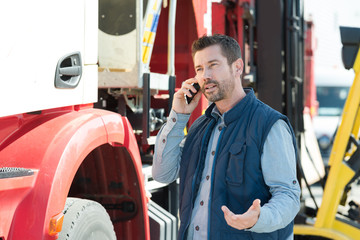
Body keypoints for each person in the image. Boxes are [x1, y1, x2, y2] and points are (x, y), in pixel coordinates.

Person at [152, 34, 300, 240]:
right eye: (199, 69)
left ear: (237, 67)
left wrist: (259, 218)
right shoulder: (199, 127)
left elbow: (289, 195)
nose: (205, 76)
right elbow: (163, 174)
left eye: (213, 65)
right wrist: (178, 116)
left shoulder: (269, 124)